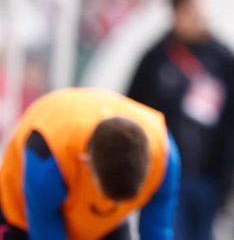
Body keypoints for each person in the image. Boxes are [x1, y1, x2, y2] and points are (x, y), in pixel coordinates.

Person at [127, 0, 234, 240]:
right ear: (176, 15)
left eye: (202, 12)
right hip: (165, 172)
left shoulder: (224, 59)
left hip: (212, 175)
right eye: (191, 12)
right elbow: (132, 109)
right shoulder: (155, 58)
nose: (199, 18)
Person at [0, 87, 180, 239]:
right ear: (87, 162)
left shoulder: (164, 157)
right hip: (24, 216)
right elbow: (45, 230)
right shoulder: (48, 154)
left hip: (103, 224)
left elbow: (157, 230)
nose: (110, 202)